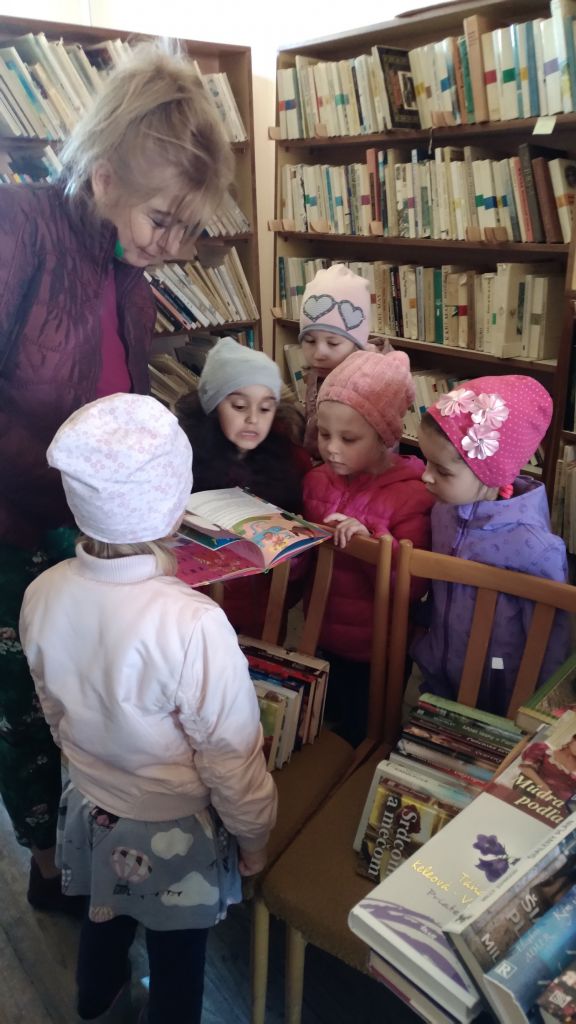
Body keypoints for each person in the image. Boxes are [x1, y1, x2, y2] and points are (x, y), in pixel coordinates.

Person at [0, 41, 233, 912]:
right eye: (163, 220)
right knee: (27, 703)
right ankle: (48, 865)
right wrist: (73, 483)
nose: (172, 247)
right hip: (14, 524)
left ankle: (94, 843)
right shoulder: (17, 227)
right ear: (103, 176)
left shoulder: (126, 269)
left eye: (186, 228)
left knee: (101, 697)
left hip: (91, 525)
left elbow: (124, 401)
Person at [19, 394, 276, 1024]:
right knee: (179, 954)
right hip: (174, 829)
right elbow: (231, 756)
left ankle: (97, 1007)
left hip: (90, 807)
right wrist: (255, 837)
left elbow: (53, 708)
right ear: (175, 507)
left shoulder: (41, 593)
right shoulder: (193, 622)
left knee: (103, 921)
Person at [412, 375, 571, 714]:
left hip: (501, 685)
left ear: (491, 475)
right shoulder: (443, 511)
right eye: (426, 462)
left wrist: (540, 709)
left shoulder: (535, 549)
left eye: (442, 470)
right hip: (440, 664)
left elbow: (552, 640)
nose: (425, 476)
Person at [303, 350, 435, 745]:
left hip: (378, 647)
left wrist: (374, 543)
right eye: (324, 434)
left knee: (370, 732)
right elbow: (307, 560)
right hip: (323, 631)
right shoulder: (316, 481)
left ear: (384, 437)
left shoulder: (412, 496)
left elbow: (410, 586)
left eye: (349, 438)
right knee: (323, 725)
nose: (332, 448)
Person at [176, 337, 312, 634]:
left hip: (262, 612)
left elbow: (300, 542)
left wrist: (293, 558)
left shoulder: (291, 462)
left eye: (265, 408)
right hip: (196, 611)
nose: (253, 419)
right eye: (239, 406)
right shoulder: (182, 458)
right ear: (213, 405)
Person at [299, 263, 391, 460]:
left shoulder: (373, 382)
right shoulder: (322, 369)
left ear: (357, 344)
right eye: (310, 341)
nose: (319, 353)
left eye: (333, 343)